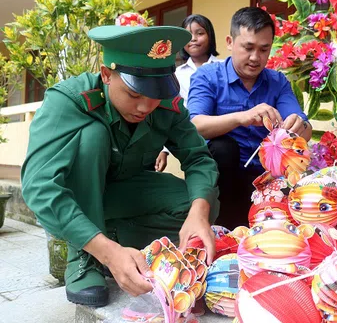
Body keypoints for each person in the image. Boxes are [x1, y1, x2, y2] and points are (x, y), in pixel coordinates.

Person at [21, 22, 220, 307]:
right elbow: (39, 187)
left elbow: (198, 158)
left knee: (204, 203)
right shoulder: (69, 101)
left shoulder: (166, 104)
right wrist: (107, 252)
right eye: (134, 94)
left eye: (155, 95)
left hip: (123, 197)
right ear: (106, 75)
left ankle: (112, 240)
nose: (145, 106)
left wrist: (199, 214)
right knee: (92, 136)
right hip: (78, 198)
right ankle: (86, 255)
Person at [187, 7, 312, 229]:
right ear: (229, 42)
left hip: (265, 176)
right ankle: (223, 224)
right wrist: (242, 117)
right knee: (224, 148)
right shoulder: (207, 77)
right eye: (248, 48)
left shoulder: (277, 82)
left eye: (264, 50)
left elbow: (304, 127)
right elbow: (195, 125)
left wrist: (298, 126)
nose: (256, 58)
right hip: (221, 177)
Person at [155, 14, 221, 172]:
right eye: (188, 35)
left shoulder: (224, 66)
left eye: (200, 33)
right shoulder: (176, 74)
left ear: (210, 36)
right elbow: (173, 112)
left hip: (222, 138)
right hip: (192, 141)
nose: (193, 39)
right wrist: (164, 150)